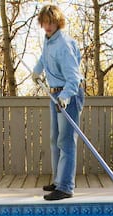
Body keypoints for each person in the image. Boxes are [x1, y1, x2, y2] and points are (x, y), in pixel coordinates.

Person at [32, 4, 84, 201]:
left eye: (51, 22)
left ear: (58, 22)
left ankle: (66, 187)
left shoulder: (64, 44)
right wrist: (37, 70)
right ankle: (58, 180)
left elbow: (74, 78)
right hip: (55, 94)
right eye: (45, 23)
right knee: (55, 140)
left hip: (68, 94)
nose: (48, 26)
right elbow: (44, 59)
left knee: (66, 141)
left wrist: (65, 97)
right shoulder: (48, 41)